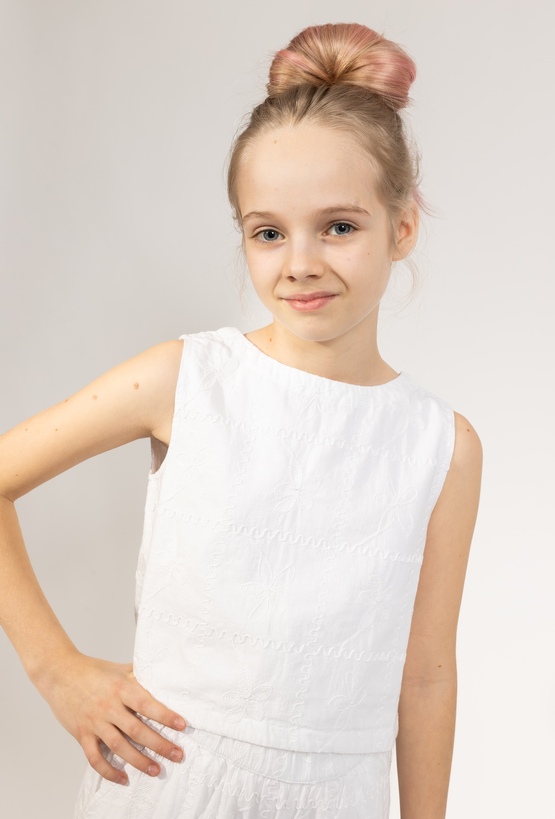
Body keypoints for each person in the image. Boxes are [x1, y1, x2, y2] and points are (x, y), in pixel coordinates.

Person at [0, 22, 481, 819]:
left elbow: (426, 674)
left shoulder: (440, 446)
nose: (300, 262)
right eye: (268, 233)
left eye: (338, 226)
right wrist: (57, 670)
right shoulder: (186, 379)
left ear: (401, 227)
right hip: (172, 782)